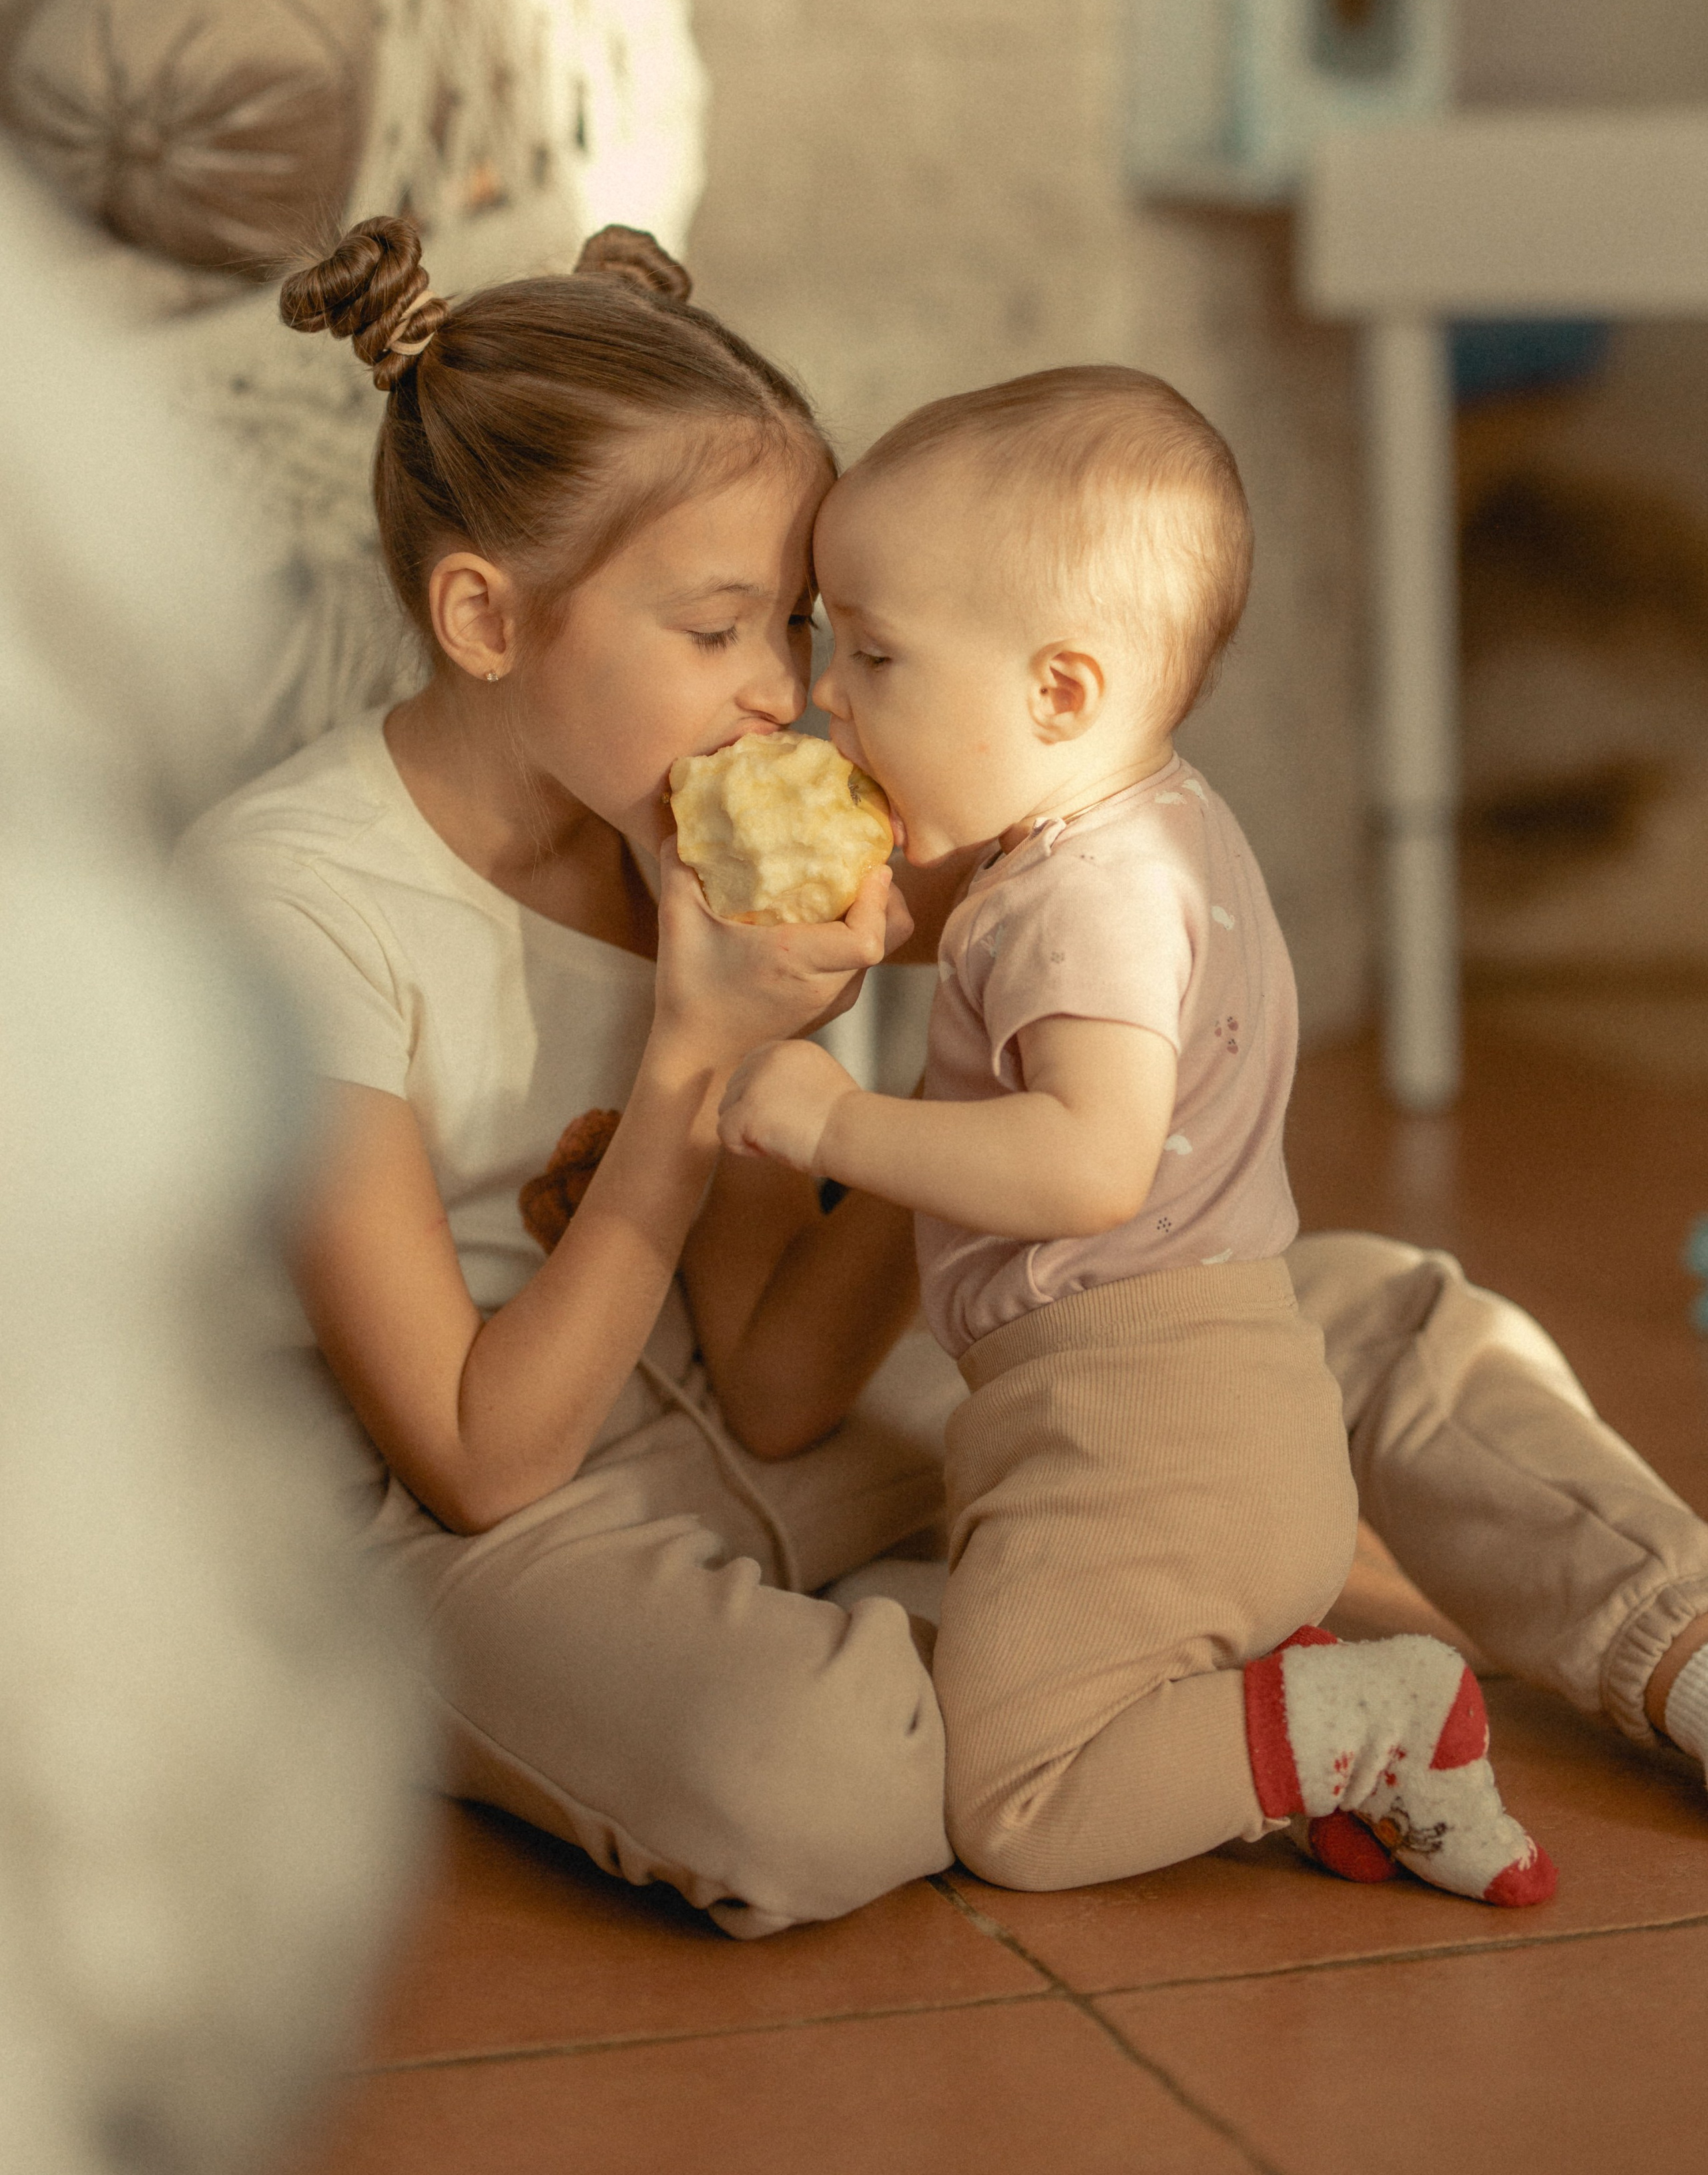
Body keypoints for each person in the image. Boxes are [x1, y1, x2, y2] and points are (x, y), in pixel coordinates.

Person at [182, 215, 1708, 1941]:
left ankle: (1671, 1639)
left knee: (1336, 1321)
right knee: (814, 1777)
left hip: (761, 1425)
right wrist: (697, 1061)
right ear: (484, 616)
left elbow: (778, 1388)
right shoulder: (293, 910)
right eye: (720, 631)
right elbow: (478, 1455)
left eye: (807, 628)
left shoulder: (688, 837)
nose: (788, 699)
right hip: (509, 1513)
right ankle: (1118, 1656)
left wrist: (952, 1047)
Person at [720, 367, 1558, 1903]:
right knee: (1043, 1665)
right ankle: (1325, 1738)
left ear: (1059, 692)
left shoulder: (1079, 902)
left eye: (876, 654)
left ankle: (1364, 1721)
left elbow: (1086, 1167)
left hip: (1143, 1431)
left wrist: (839, 1116)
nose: (828, 691)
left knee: (1011, 1802)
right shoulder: (1147, 831)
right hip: (1196, 1413)